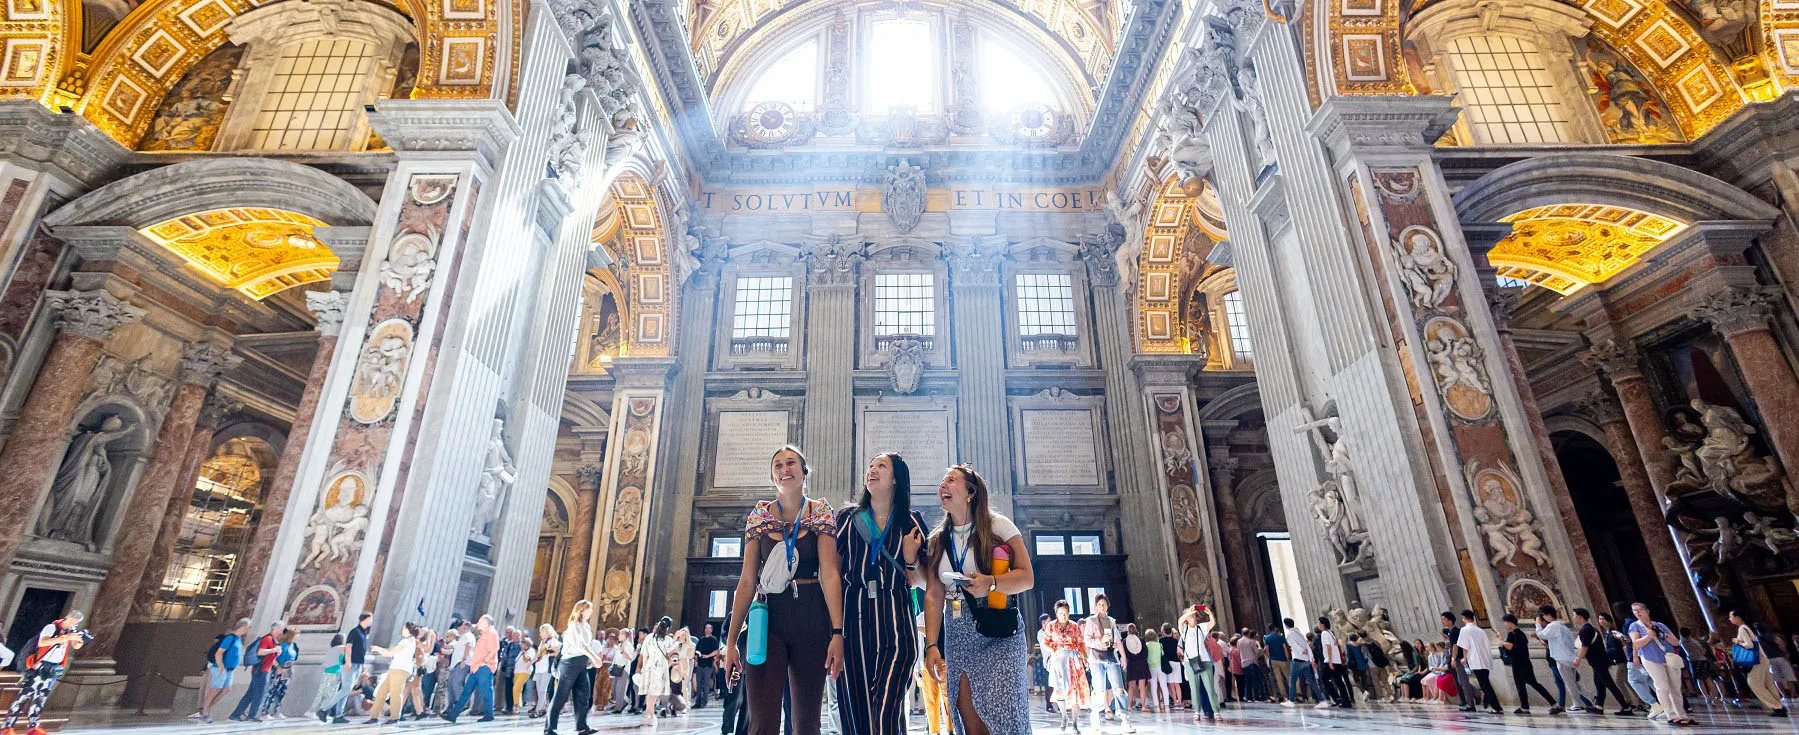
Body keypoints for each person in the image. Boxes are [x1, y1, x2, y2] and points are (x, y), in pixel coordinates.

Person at [721, 446, 845, 735]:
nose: (785, 468)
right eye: (778, 465)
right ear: (772, 475)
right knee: (762, 722)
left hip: (812, 619)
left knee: (806, 723)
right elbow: (747, 581)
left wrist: (837, 632)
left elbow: (830, 574)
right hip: (767, 619)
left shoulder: (821, 513)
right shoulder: (760, 516)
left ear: (803, 472)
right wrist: (729, 644)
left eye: (791, 463)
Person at [921, 464, 1035, 735]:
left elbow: (1027, 578)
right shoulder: (938, 539)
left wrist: (991, 582)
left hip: (998, 630)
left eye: (951, 480)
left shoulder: (999, 526)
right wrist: (932, 645)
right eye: (942, 481)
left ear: (970, 492)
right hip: (958, 631)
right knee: (969, 717)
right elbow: (934, 594)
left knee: (1003, 714)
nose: (943, 486)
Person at [831, 452, 927, 735]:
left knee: (886, 713)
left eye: (881, 466)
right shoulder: (847, 519)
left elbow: (923, 580)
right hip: (853, 619)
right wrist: (834, 629)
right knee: (856, 717)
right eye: (870, 466)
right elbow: (833, 576)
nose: (872, 470)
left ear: (896, 478)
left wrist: (911, 559)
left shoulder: (912, 522)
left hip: (896, 617)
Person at [2, 610, 87, 735]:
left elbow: (75, 646)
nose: (72, 626)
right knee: (25, 695)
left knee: (41, 697)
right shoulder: (52, 627)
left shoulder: (70, 631)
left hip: (54, 668)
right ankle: (8, 726)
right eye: (71, 622)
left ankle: (33, 726)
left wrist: (80, 639)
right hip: (40, 666)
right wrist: (65, 637)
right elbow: (43, 642)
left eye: (75, 624)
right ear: (66, 618)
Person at [1626, 602, 1691, 724]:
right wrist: (1649, 636)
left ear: (1647, 611)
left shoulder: (1660, 625)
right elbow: (1637, 643)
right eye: (1635, 611)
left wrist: (1663, 635)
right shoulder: (1635, 626)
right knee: (1662, 686)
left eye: (1640, 610)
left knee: (1675, 688)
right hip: (1650, 658)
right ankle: (1670, 715)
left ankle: (1682, 714)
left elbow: (1676, 642)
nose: (1638, 613)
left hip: (1668, 657)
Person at [1084, 594, 1132, 731]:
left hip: (1111, 656)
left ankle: (1124, 718)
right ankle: (1095, 714)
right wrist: (1100, 640)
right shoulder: (1091, 621)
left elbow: (1117, 640)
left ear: (1107, 605)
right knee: (1098, 688)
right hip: (1097, 657)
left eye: (1104, 604)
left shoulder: (1111, 621)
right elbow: (1087, 640)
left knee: (1119, 687)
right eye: (1099, 604)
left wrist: (1123, 656)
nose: (1102, 607)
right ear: (1095, 606)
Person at [1041, 600, 1089, 732]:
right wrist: (1054, 651)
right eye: (1061, 613)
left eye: (1066, 613)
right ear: (1056, 613)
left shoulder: (1074, 626)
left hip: (1072, 660)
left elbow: (1081, 644)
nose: (1064, 615)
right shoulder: (1051, 626)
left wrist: (1085, 658)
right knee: (1060, 690)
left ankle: (1075, 723)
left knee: (1075, 691)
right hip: (1058, 660)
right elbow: (1045, 642)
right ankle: (1064, 717)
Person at [1573, 608, 1632, 714]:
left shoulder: (1586, 629)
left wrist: (1578, 659)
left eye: (1574, 615)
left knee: (1610, 684)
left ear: (1580, 617)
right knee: (1599, 683)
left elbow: (1585, 646)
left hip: (1598, 662)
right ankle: (1599, 706)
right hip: (1598, 661)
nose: (1573, 618)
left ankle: (1626, 707)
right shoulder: (1591, 628)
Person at [1730, 610, 1788, 717]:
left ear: (1738, 617)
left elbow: (1749, 645)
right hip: (1763, 658)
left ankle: (1776, 706)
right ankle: (1779, 706)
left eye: (1731, 617)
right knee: (1769, 683)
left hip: (1756, 660)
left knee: (1754, 683)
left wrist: (1737, 642)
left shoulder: (1742, 629)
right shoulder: (1747, 628)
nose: (1730, 619)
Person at [444, 614, 500, 723]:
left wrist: (484, 662)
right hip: (476, 668)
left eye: (480, 622)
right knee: (466, 691)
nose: (478, 623)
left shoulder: (492, 633)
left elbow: (494, 650)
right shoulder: (484, 634)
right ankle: (453, 714)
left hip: (484, 667)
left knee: (486, 691)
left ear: (487, 623)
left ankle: (489, 714)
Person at [320, 612, 374, 722]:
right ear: (365, 619)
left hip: (358, 664)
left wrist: (362, 666)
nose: (371, 621)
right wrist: (348, 662)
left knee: (346, 690)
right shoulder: (355, 631)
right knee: (346, 689)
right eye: (370, 619)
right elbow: (348, 647)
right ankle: (324, 709)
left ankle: (338, 715)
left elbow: (361, 651)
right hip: (350, 664)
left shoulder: (364, 633)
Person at [1499, 614, 1558, 714]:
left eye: (1505, 622)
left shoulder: (1512, 634)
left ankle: (1525, 707)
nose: (1505, 625)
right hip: (1526, 662)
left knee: (1520, 685)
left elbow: (1510, 647)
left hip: (1518, 664)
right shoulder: (1521, 633)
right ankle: (1552, 703)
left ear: (1510, 622)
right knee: (1534, 684)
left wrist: (1500, 639)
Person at [230, 620, 285, 722]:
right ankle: (251, 715)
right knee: (259, 693)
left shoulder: (273, 641)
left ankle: (235, 714)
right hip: (260, 670)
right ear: (276, 628)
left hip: (263, 669)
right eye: (281, 629)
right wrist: (274, 650)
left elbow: (269, 658)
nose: (281, 631)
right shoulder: (267, 639)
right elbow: (260, 652)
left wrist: (277, 665)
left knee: (250, 694)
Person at [1535, 606, 1587, 712]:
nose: (1544, 618)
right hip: (1568, 656)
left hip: (1562, 657)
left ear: (1549, 615)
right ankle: (1585, 701)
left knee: (1570, 683)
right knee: (1573, 682)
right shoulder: (1563, 626)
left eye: (1544, 616)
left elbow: (1541, 634)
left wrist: (1537, 624)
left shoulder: (1553, 625)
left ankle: (1579, 703)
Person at [368, 623, 422, 725]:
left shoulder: (407, 641)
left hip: (400, 670)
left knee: (395, 693)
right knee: (381, 692)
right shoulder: (409, 641)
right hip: (394, 669)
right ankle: (374, 716)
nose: (402, 630)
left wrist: (378, 649)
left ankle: (395, 717)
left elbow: (391, 652)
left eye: (404, 628)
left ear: (408, 630)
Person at [195, 617, 247, 723]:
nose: (248, 629)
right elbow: (219, 653)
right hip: (221, 667)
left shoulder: (238, 639)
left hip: (230, 669)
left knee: (226, 689)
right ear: (243, 626)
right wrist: (221, 666)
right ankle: (204, 712)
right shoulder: (230, 638)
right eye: (248, 627)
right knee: (215, 689)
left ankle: (208, 708)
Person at [1454, 610, 1501, 714]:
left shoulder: (1465, 630)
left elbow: (1464, 645)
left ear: (1464, 618)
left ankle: (1497, 707)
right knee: (1485, 683)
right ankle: (1491, 702)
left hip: (1475, 660)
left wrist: (1464, 658)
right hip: (1485, 660)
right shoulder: (1480, 630)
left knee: (1485, 684)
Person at [1181, 606, 1223, 720]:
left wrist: (1210, 613)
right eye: (1191, 615)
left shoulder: (1201, 627)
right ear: (1186, 618)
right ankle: (1196, 711)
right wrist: (1188, 612)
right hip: (1191, 662)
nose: (1194, 616)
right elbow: (1179, 621)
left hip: (1204, 660)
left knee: (1210, 687)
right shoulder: (1184, 629)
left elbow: (1212, 623)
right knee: (1194, 688)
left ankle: (1216, 711)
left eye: (1194, 615)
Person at [637, 616, 676, 722]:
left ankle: (649, 712)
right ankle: (649, 712)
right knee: (655, 691)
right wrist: (678, 645)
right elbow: (671, 653)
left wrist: (643, 667)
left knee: (650, 691)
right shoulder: (668, 640)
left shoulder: (649, 637)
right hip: (660, 667)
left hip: (649, 665)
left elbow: (644, 654)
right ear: (668, 628)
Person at [261, 628, 301, 718]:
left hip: (288, 668)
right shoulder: (282, 645)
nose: (297, 638)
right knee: (273, 690)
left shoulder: (293, 646)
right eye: (296, 636)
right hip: (280, 668)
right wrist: (278, 666)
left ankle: (276, 711)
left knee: (282, 690)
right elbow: (273, 657)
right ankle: (265, 711)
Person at [695, 622, 721, 708]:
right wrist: (696, 659)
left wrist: (708, 656)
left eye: (709, 628)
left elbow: (716, 651)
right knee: (698, 684)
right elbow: (697, 651)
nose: (707, 629)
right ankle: (697, 702)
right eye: (706, 628)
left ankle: (704, 702)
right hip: (700, 664)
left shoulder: (713, 639)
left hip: (708, 665)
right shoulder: (701, 639)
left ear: (711, 630)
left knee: (706, 684)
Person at [1263, 623, 1291, 703]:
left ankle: (1284, 696)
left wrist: (1270, 658)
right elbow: (1285, 648)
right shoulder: (1280, 637)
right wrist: (1287, 658)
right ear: (1275, 628)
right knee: (1288, 677)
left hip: (1274, 660)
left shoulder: (1267, 638)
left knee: (1279, 679)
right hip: (1282, 659)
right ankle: (1292, 694)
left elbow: (1267, 650)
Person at [498, 626, 522, 715]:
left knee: (516, 689)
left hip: (518, 671)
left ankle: (516, 706)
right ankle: (508, 707)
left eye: (517, 636)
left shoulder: (522, 646)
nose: (515, 637)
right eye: (514, 635)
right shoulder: (509, 646)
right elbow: (504, 656)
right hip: (508, 671)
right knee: (508, 689)